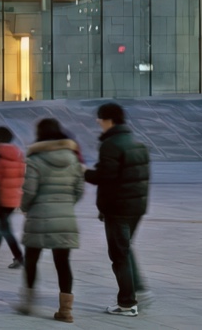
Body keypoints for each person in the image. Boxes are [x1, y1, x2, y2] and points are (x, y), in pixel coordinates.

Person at [85, 101, 151, 316]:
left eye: (100, 118)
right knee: (125, 248)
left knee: (119, 255)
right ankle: (138, 290)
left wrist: (83, 172)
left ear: (108, 120)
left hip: (118, 209)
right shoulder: (136, 143)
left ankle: (127, 303)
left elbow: (105, 177)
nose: (98, 122)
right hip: (136, 207)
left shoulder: (111, 145)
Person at [18, 117, 83, 322]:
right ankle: (65, 311)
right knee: (63, 263)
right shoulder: (73, 159)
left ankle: (28, 303)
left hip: (39, 217)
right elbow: (79, 190)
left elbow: (29, 190)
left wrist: (25, 207)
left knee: (31, 260)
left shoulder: (35, 160)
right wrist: (66, 204)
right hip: (65, 218)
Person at [0, 126, 24, 267]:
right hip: (14, 197)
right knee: (1, 224)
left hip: (0, 197)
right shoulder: (17, 153)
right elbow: (21, 175)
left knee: (5, 228)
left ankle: (19, 257)